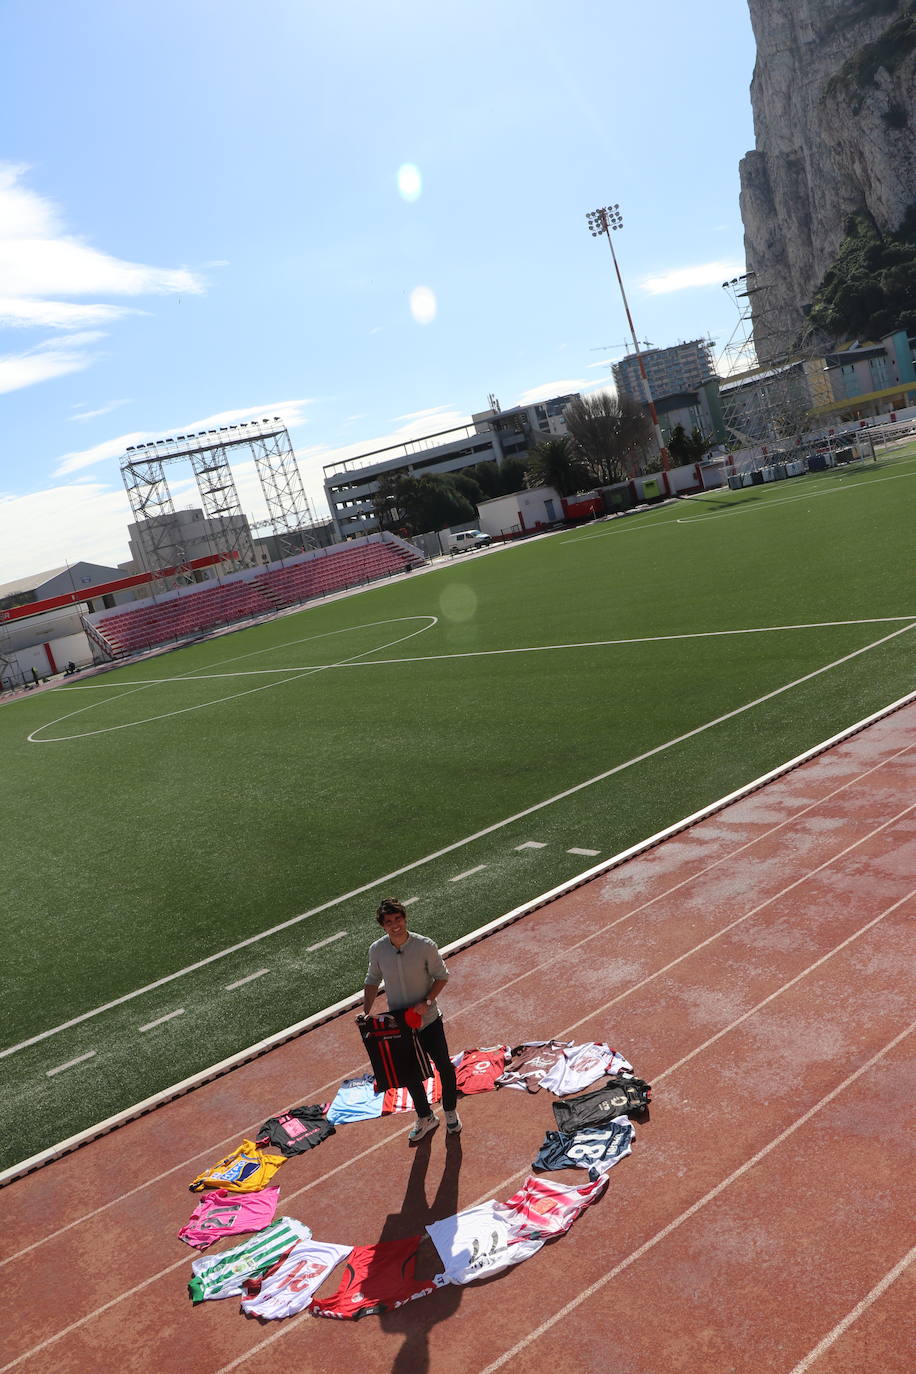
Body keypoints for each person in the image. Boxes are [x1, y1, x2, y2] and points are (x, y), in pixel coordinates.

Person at [362, 898, 461, 1144]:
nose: (395, 925)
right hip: (400, 1025)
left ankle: (450, 1112)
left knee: (444, 1067)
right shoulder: (377, 949)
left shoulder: (425, 945)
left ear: (405, 918)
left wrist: (426, 1002)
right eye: (389, 922)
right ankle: (426, 1117)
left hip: (428, 1019)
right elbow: (372, 980)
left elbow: (442, 976)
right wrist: (366, 1012)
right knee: (409, 1074)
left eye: (398, 919)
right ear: (382, 926)